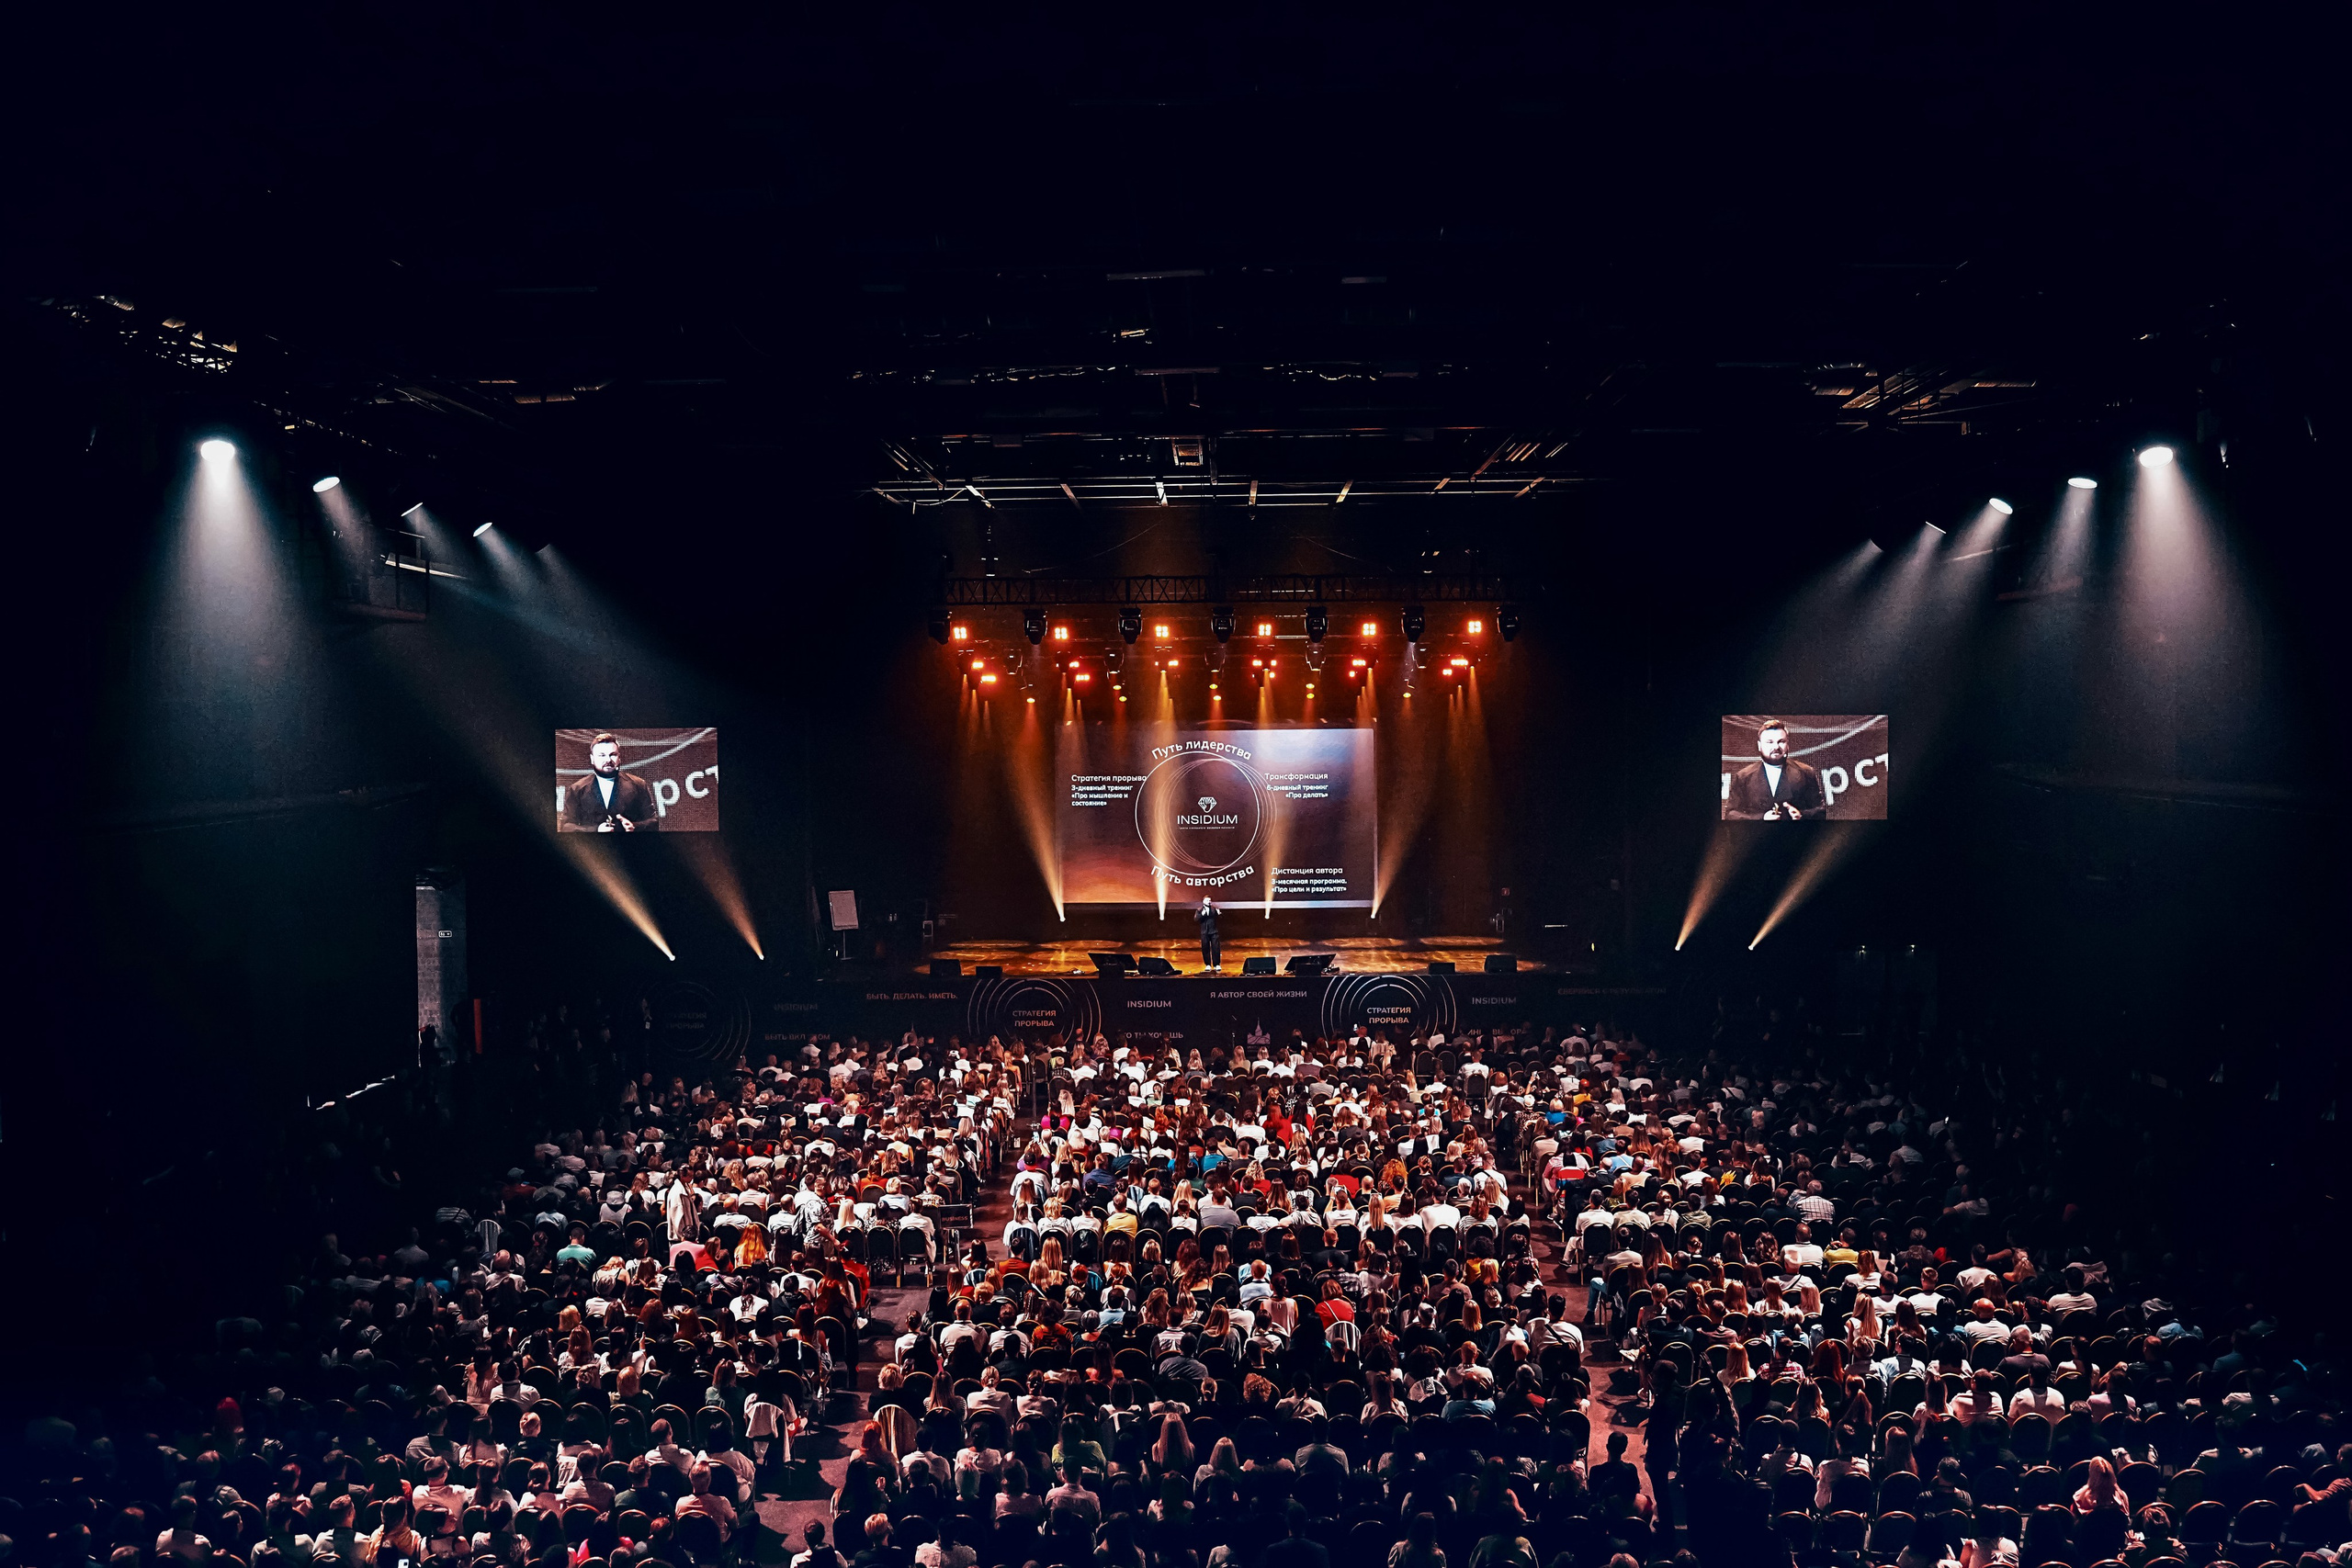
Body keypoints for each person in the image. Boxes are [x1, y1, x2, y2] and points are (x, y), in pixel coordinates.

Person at [1723, 718, 1826, 820]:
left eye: (1781, 741)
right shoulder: (1743, 777)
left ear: (1788, 745)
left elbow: (1821, 811)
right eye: (1770, 742)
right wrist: (1761, 818)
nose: (1776, 747)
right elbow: (1731, 815)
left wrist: (1801, 816)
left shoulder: (1806, 772)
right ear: (1759, 746)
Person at [561, 732, 662, 831]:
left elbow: (654, 821)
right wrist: (596, 830)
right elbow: (566, 827)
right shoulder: (577, 789)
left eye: (613, 755)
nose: (608, 760)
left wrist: (634, 827)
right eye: (602, 755)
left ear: (619, 758)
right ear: (592, 759)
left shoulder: (638, 785)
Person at [1197, 896, 1222, 971]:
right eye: (1207, 900)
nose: (1209, 901)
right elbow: (1196, 919)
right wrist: (1202, 914)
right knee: (1205, 948)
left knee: (1216, 948)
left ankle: (1217, 964)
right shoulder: (1199, 910)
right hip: (1205, 932)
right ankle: (1208, 964)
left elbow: (1220, 919)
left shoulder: (1214, 909)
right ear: (1203, 901)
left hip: (1214, 931)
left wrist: (1219, 914)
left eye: (1210, 900)